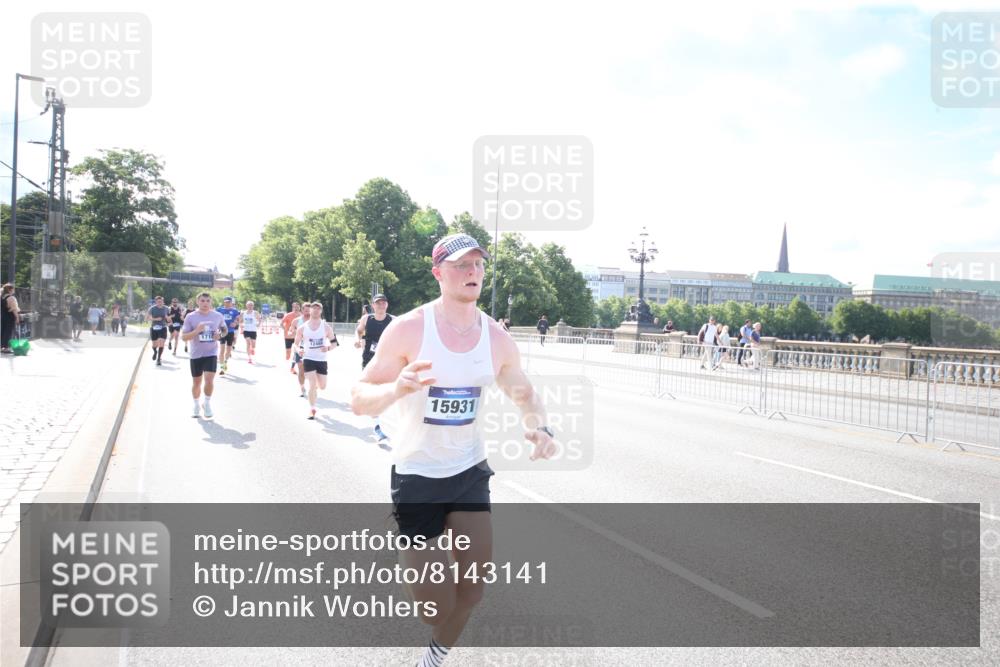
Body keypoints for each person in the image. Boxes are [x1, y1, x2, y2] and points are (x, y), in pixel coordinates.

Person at [350, 233, 557, 667]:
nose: (473, 272)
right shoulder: (409, 329)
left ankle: (432, 661)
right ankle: (413, 562)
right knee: (434, 610)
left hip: (467, 472)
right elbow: (358, 397)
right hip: (417, 476)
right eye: (462, 265)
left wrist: (540, 428)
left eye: (479, 264)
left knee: (473, 591)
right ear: (438, 272)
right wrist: (395, 388)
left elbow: (524, 394)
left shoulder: (496, 338)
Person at [180, 292, 227, 418]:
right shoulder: (191, 317)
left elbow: (224, 329)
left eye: (207, 301)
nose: (205, 303)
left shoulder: (217, 315)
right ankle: (196, 404)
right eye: (202, 301)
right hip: (196, 354)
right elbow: (184, 337)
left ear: (211, 302)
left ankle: (206, 403)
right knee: (196, 382)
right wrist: (196, 331)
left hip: (211, 353)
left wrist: (220, 335)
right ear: (198, 302)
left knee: (209, 380)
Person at [354, 293, 394, 444]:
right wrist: (358, 340)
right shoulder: (367, 319)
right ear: (373, 305)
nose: (381, 305)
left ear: (387, 305)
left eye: (384, 303)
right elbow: (358, 331)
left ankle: (383, 423)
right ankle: (378, 426)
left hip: (388, 362)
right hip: (369, 361)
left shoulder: (393, 320)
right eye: (378, 303)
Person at [293, 302, 338, 420]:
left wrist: (328, 348)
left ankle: (315, 390)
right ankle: (312, 409)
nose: (316, 310)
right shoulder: (302, 327)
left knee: (322, 386)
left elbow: (334, 343)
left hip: (322, 360)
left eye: (319, 308)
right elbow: (295, 344)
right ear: (310, 310)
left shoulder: (326, 327)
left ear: (321, 311)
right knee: (312, 385)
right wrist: (299, 350)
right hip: (308, 358)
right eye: (314, 308)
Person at [216, 296, 241, 375]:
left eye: (229, 302)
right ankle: (222, 367)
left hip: (230, 332)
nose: (227, 303)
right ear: (224, 302)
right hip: (223, 331)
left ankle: (225, 362)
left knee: (228, 350)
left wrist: (235, 323)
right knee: (222, 350)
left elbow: (238, 319)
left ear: (231, 303)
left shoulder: (235, 311)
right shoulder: (219, 309)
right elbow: (215, 318)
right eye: (226, 302)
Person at [146, 296, 170, 365]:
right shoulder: (152, 308)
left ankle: (159, 359)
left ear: (163, 301)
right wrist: (156, 319)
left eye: (161, 301)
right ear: (156, 302)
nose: (160, 303)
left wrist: (168, 319)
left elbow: (168, 316)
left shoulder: (166, 308)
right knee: (154, 345)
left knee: (161, 342)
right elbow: (148, 318)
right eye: (158, 302)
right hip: (154, 328)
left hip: (163, 328)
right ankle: (155, 352)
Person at [281, 302, 303, 368]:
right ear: (292, 308)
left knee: (296, 351)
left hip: (298, 337)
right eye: (294, 307)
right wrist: (286, 330)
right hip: (288, 336)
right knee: (288, 354)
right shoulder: (288, 315)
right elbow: (281, 324)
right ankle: (289, 359)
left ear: (300, 308)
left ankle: (292, 367)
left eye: (297, 307)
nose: (296, 308)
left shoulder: (302, 315)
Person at [1, 284, 21, 354]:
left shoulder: (2, 297)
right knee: (9, 332)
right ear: (10, 290)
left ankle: (2, 347)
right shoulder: (11, 298)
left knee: (3, 331)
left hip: (3, 316)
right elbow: (14, 309)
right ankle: (6, 348)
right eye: (13, 289)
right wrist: (17, 317)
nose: (14, 290)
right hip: (10, 317)